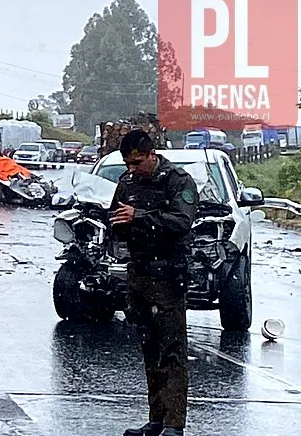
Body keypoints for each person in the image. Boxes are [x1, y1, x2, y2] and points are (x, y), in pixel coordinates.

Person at [110, 130, 198, 436]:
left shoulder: (178, 181)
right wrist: (116, 224)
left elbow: (181, 222)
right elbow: (117, 216)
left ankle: (175, 424)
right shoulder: (127, 183)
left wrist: (141, 216)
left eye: (137, 162)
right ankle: (156, 419)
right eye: (127, 163)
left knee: (172, 350)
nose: (132, 169)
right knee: (150, 348)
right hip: (139, 273)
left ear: (152, 154)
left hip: (168, 277)